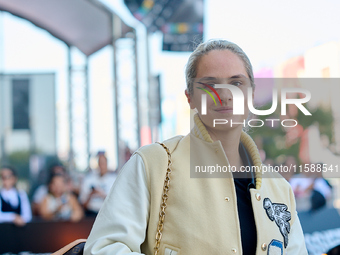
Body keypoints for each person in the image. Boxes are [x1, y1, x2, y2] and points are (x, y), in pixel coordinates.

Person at [84, 39, 308, 254]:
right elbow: (104, 248)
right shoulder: (153, 164)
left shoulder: (279, 187)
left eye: (236, 83)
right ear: (189, 97)